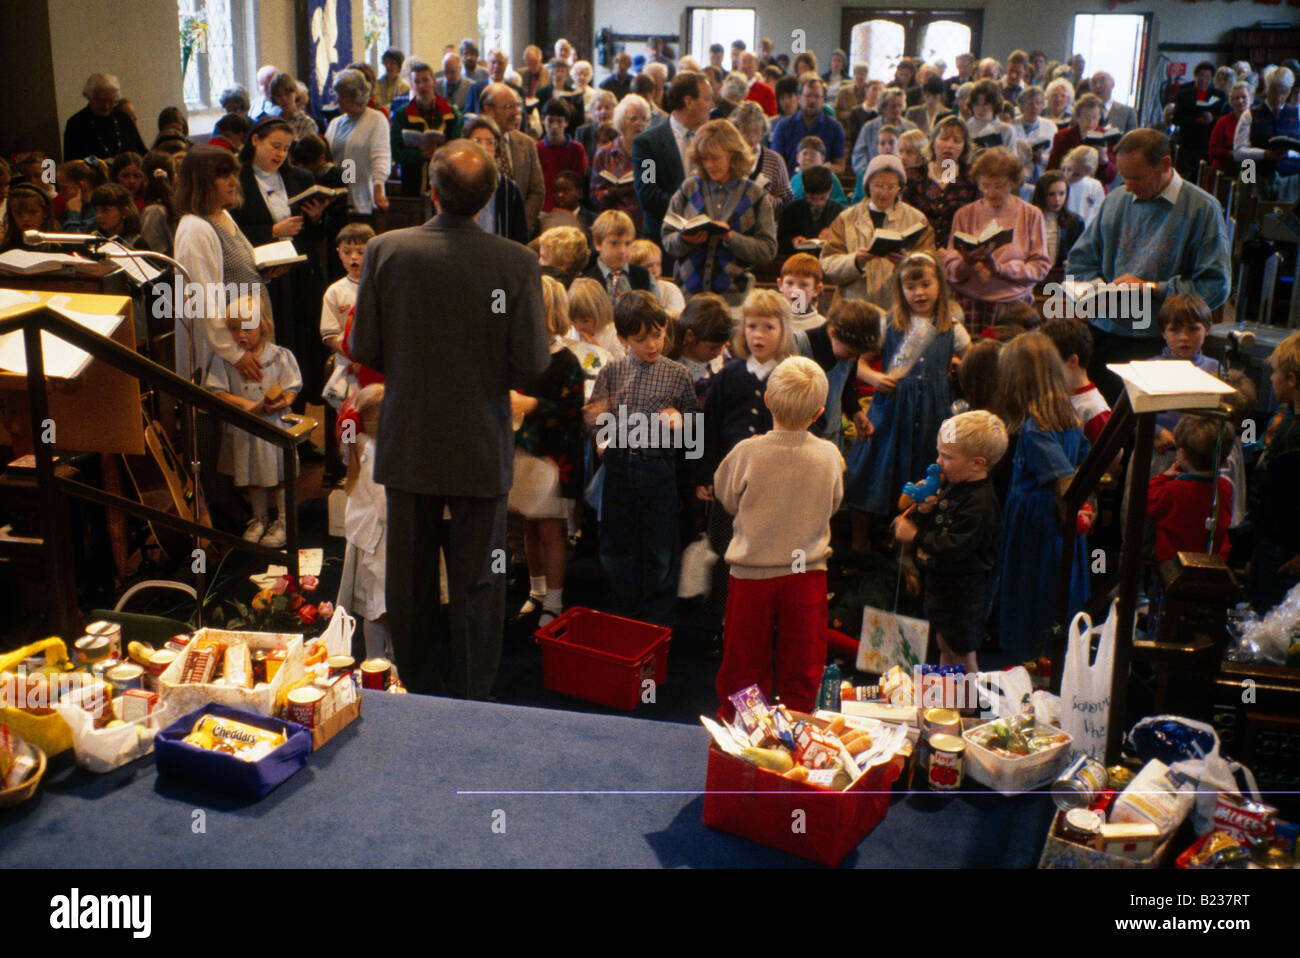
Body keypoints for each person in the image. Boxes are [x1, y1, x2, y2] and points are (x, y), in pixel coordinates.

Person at [348, 140, 550, 698]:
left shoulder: (386, 251)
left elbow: (365, 346)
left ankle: (418, 687)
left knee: (409, 580)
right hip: (479, 441)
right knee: (479, 580)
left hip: (409, 437)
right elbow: (531, 362)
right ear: (489, 198)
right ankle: (472, 696)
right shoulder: (516, 261)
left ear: (429, 192)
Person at [712, 356, 843, 714]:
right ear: (819, 413)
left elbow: (725, 497)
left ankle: (743, 733)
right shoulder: (829, 455)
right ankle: (799, 728)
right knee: (803, 661)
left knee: (744, 660)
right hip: (807, 574)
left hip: (753, 572)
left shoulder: (746, 452)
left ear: (767, 401)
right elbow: (834, 502)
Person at [1067, 129, 1231, 402]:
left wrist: (1152, 288)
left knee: (1145, 433)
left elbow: (1215, 285)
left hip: (1159, 341)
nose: (1128, 186)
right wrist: (1096, 293)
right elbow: (1079, 261)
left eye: (1137, 177)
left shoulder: (1202, 209)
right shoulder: (1116, 199)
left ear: (1165, 165)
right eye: (1124, 177)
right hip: (1103, 334)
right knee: (1100, 428)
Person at [585, 291, 699, 625]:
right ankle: (625, 617)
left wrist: (681, 421)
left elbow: (694, 432)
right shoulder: (612, 371)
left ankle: (658, 624)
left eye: (658, 334)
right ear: (622, 339)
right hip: (619, 465)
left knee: (660, 548)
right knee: (617, 547)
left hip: (658, 465)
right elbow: (595, 419)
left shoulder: (678, 374)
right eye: (641, 338)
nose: (652, 344)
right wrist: (599, 431)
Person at [695, 289, 797, 627]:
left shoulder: (791, 376)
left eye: (768, 327)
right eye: (751, 326)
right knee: (727, 551)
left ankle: (762, 621)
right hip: (731, 485)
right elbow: (707, 428)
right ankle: (722, 621)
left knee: (767, 552)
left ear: (783, 330)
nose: (758, 335)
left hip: (776, 486)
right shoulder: (730, 374)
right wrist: (705, 475)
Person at [994, 331, 1089, 659]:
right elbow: (1083, 459)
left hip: (1039, 521)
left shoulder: (1036, 429)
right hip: (1056, 522)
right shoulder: (1068, 416)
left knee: (1032, 587)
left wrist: (1069, 514)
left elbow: (1063, 476)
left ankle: (1029, 654)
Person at [892, 410, 1008, 672]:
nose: (938, 462)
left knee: (963, 654)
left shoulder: (980, 503)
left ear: (977, 463)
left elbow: (956, 546)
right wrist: (926, 511)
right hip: (942, 587)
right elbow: (943, 524)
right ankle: (946, 706)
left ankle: (968, 710)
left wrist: (917, 536)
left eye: (947, 456)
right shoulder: (955, 485)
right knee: (944, 646)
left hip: (965, 594)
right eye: (939, 453)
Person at [230, 117, 330, 418]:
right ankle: (269, 418)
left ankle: (297, 420)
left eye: (286, 149)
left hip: (300, 274)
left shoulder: (298, 178)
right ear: (255, 141)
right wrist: (273, 230)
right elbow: (232, 230)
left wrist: (315, 218)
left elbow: (315, 235)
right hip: (264, 275)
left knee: (301, 347)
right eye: (275, 146)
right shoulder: (238, 179)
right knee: (276, 341)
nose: (280, 155)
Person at [509, 276, 586, 626]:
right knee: (528, 525)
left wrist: (532, 404)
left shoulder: (565, 359)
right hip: (521, 451)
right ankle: (536, 590)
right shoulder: (516, 354)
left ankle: (554, 600)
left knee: (550, 530)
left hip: (555, 458)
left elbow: (572, 411)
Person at [204, 299, 302, 548]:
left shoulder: (279, 356)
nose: (240, 336)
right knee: (253, 475)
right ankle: (259, 518)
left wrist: (283, 402)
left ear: (263, 326)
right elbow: (216, 390)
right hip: (245, 429)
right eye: (234, 329)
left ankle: (283, 520)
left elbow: (291, 386)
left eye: (247, 328)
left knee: (280, 473)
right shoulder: (225, 359)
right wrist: (244, 404)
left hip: (274, 427)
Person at [944, 147, 1051, 334]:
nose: (990, 192)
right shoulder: (965, 214)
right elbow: (950, 267)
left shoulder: (1031, 214)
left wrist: (1001, 269)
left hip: (1014, 305)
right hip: (971, 301)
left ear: (1012, 182)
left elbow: (1040, 267)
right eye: (985, 185)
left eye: (998, 186)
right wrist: (968, 263)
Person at [821, 154, 935, 311]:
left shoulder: (916, 219)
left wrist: (906, 262)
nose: (884, 192)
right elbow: (827, 264)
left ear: (900, 187)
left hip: (900, 307)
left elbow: (930, 263)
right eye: (878, 185)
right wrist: (855, 261)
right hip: (854, 307)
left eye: (891, 187)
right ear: (868, 185)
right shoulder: (846, 218)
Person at [336, 384, 395, 665]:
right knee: (379, 605)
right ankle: (376, 660)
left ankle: (388, 658)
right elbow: (386, 508)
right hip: (380, 538)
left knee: (381, 601)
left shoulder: (357, 441)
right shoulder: (374, 458)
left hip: (367, 533)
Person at [1249, 332, 1300, 610]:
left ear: (1291, 380)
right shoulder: (1289, 414)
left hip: (1284, 549)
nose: (1270, 378)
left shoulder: (1293, 440)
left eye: (1276, 373)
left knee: (1269, 614)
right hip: (1273, 539)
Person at [633, 72, 715, 241]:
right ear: (689, 102)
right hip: (664, 238)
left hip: (707, 240)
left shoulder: (713, 138)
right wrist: (691, 210)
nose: (711, 105)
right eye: (707, 99)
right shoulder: (648, 143)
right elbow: (648, 194)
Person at [1148, 414, 1234, 564]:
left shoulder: (1172, 491)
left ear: (1183, 454)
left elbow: (1148, 499)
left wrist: (1163, 477)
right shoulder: (1224, 487)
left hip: (1174, 570)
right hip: (1211, 566)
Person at [479, 82, 546, 235]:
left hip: (520, 232)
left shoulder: (527, 143)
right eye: (509, 106)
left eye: (516, 106)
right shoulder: (473, 145)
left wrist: (522, 225)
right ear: (489, 111)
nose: (516, 112)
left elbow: (537, 190)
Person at [324, 69, 391, 221]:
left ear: (356, 96)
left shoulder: (376, 120)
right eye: (338, 95)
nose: (338, 100)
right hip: (336, 199)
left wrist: (378, 190)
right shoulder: (336, 123)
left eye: (342, 96)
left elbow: (381, 157)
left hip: (362, 199)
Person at [905, 116, 979, 248]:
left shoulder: (972, 178)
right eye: (944, 139)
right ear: (933, 142)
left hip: (958, 254)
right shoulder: (913, 176)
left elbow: (976, 223)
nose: (949, 145)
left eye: (957, 141)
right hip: (919, 249)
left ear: (964, 147)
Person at [1041, 318, 1110, 445]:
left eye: (1049, 362)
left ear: (1072, 361)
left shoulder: (1094, 410)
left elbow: (1112, 456)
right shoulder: (1059, 392)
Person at [462, 115, 529, 245]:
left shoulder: (510, 189)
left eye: (490, 142)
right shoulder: (457, 185)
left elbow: (520, 239)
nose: (484, 147)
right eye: (477, 141)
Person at [1233, 73, 1300, 201]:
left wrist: (1289, 153)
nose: (1279, 97)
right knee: (1246, 209)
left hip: (1287, 172)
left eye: (1284, 93)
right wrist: (1265, 154)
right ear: (1267, 89)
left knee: (1283, 215)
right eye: (1274, 92)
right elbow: (1238, 152)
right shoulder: (1249, 114)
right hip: (1251, 167)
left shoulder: (1297, 113)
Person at [590, 93, 649, 232]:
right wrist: (610, 192)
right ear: (621, 122)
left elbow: (649, 190)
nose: (639, 123)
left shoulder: (648, 155)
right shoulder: (604, 154)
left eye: (644, 119)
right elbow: (594, 195)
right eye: (633, 119)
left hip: (641, 223)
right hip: (611, 223)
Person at [770, 74, 846, 175]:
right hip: (789, 185)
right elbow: (774, 164)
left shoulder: (835, 128)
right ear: (799, 98)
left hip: (821, 184)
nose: (812, 100)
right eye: (808, 95)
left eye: (817, 96)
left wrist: (820, 168)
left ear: (823, 100)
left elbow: (840, 166)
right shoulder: (783, 126)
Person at [63, 73, 146, 161]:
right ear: (90, 97)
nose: (106, 106)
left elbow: (140, 151)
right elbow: (72, 162)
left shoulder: (124, 119)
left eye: (111, 101)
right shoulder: (76, 123)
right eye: (101, 100)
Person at [667, 291, 731, 404]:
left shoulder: (722, 360)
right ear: (690, 336)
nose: (719, 352)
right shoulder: (676, 370)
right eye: (712, 348)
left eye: (723, 345)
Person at [731, 102, 795, 213]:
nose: (752, 138)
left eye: (757, 132)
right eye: (746, 133)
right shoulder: (728, 158)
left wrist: (769, 200)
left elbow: (787, 200)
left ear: (763, 131)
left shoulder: (774, 160)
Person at [1047, 93, 1116, 188]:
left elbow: (1111, 177)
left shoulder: (1105, 137)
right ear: (1078, 117)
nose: (1091, 122)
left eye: (1095, 118)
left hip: (1096, 187)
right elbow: (1052, 169)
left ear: (1100, 117)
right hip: (1068, 185)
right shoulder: (1063, 136)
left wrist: (1103, 159)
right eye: (1087, 117)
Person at [1173, 61, 1227, 177]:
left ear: (1211, 78)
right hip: (1187, 144)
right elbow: (1176, 118)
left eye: (1207, 77)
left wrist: (1212, 118)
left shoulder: (1219, 96)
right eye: (1201, 76)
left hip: (1207, 144)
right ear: (1195, 76)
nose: (1204, 80)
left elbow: (1224, 119)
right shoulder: (1183, 94)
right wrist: (1194, 120)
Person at [779, 164, 844, 256]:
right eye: (812, 199)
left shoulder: (839, 211)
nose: (818, 203)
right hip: (798, 259)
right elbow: (780, 242)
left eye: (823, 198)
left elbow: (847, 243)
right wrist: (793, 241)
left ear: (831, 189)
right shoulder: (792, 211)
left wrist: (834, 236)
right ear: (804, 190)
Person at [852, 87, 917, 176]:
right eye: (893, 106)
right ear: (883, 107)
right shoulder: (869, 128)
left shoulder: (910, 128)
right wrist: (869, 173)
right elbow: (859, 156)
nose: (897, 110)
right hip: (873, 174)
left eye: (900, 106)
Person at [537, 100, 587, 213]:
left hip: (569, 208)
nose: (554, 126)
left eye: (559, 122)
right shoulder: (537, 149)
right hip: (543, 208)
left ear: (566, 123)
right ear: (542, 120)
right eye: (550, 121)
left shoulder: (576, 149)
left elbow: (577, 181)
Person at [1030, 170, 1084, 271]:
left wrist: (1073, 262)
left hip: (1062, 275)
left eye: (1061, 193)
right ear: (1041, 195)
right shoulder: (1029, 219)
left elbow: (1081, 253)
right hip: (1034, 274)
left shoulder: (1075, 221)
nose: (1057, 199)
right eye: (1051, 194)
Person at [629, 239, 685, 316]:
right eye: (648, 266)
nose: (655, 270)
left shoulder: (670, 289)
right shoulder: (627, 288)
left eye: (658, 264)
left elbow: (678, 316)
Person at [1209, 81, 1252, 177]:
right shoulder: (1223, 122)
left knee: (1247, 190)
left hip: (1248, 167)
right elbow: (1213, 151)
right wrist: (1232, 154)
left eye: (1244, 97)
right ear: (1231, 102)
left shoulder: (1257, 122)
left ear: (1251, 100)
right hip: (1223, 171)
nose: (1240, 101)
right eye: (1236, 98)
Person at [778, 252, 826, 332]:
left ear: (816, 290)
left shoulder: (821, 326)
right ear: (780, 285)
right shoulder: (772, 320)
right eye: (790, 283)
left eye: (803, 285)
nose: (795, 290)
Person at [1060, 145, 1105, 227]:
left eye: (1076, 174)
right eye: (1068, 169)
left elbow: (1099, 213)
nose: (1069, 176)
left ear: (1087, 173)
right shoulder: (1058, 183)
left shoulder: (1095, 186)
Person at [966, 80, 1015, 149]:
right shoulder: (966, 128)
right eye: (977, 104)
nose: (980, 109)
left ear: (995, 104)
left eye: (986, 104)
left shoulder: (1006, 130)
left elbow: (1012, 158)